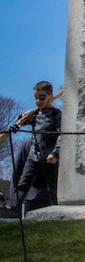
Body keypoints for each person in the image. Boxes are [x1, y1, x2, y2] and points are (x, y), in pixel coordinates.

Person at [8, 81, 61, 216]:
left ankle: (57, 210)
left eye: (42, 97)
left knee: (53, 187)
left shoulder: (56, 114)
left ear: (50, 96)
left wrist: (55, 153)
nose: (38, 101)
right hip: (33, 156)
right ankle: (13, 208)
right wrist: (24, 117)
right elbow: (19, 124)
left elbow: (62, 136)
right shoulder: (35, 115)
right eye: (36, 97)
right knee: (23, 183)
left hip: (49, 158)